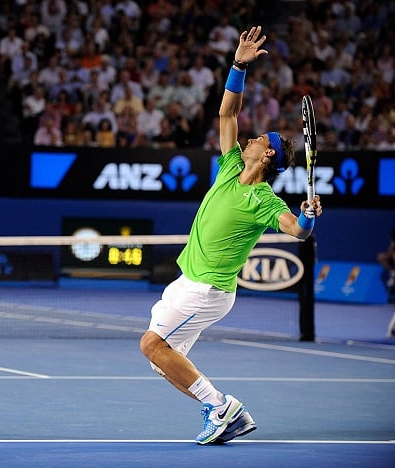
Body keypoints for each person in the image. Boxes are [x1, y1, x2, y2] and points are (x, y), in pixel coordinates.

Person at [138, 26, 323, 445]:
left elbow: (297, 231)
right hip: (187, 281)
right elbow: (226, 114)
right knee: (162, 361)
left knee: (151, 344)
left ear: (269, 153)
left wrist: (308, 217)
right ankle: (220, 411)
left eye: (260, 139)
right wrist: (238, 64)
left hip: (206, 289)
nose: (252, 137)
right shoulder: (229, 166)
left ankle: (222, 409)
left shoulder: (264, 200)